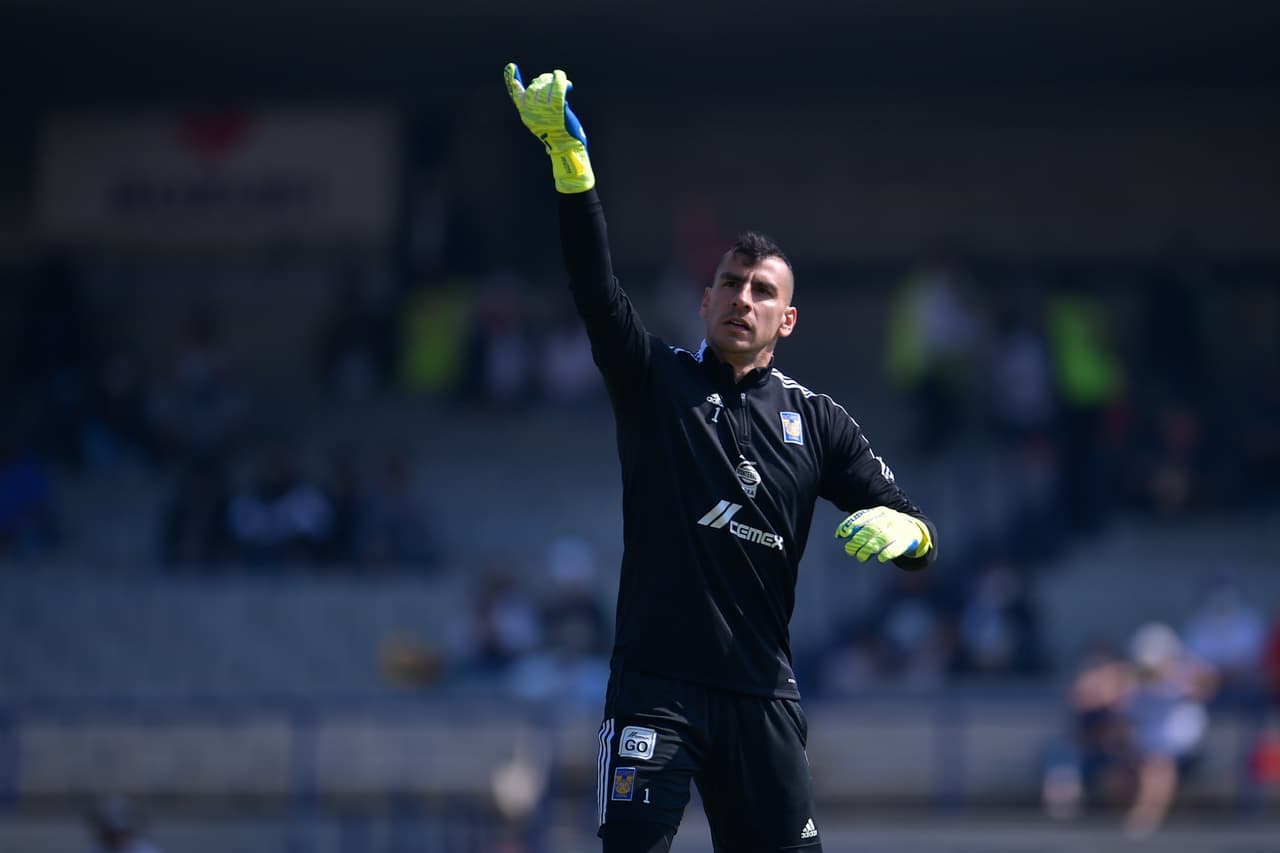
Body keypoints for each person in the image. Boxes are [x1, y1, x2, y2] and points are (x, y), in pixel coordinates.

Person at [503, 64, 939, 853]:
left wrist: (902, 532)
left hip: (761, 696)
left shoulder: (821, 420)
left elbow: (918, 533)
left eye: (761, 290)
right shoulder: (654, 381)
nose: (743, 298)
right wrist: (575, 175)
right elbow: (598, 295)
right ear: (704, 301)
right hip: (656, 689)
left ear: (789, 318)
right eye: (730, 284)